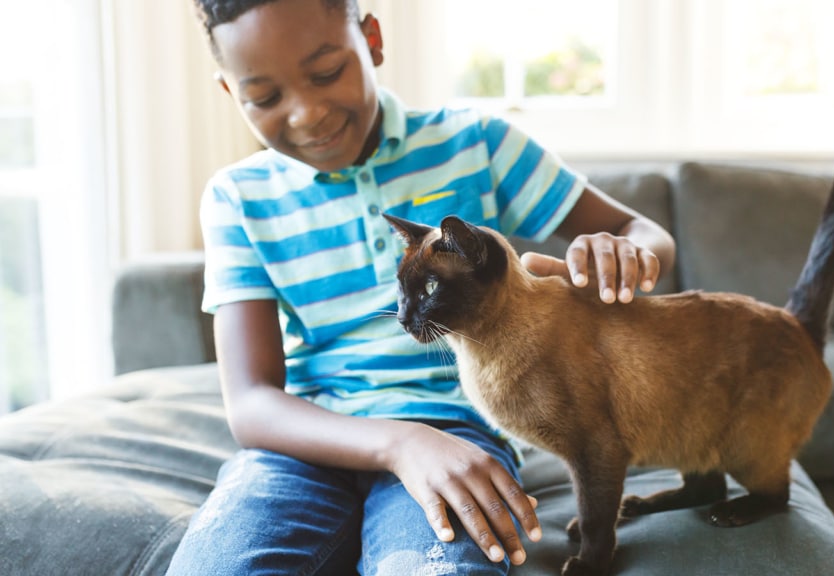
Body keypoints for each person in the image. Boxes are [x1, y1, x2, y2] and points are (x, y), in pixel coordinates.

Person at [168, 0, 676, 574]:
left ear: (373, 40)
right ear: (232, 94)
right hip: (303, 447)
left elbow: (644, 232)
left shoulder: (475, 143)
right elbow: (252, 404)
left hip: (457, 439)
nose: (307, 113)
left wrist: (626, 252)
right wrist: (398, 442)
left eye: (327, 72)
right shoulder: (238, 197)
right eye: (264, 97)